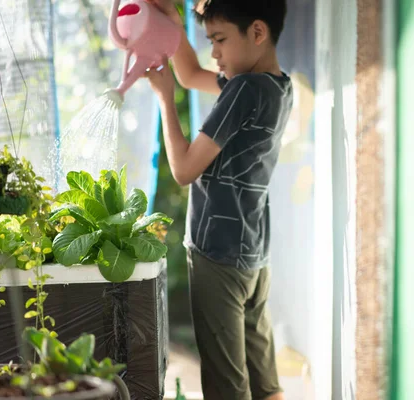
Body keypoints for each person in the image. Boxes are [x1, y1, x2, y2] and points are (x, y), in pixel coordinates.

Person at [143, 1, 291, 399]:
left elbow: (184, 169)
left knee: (228, 384)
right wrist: (174, 26)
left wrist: (164, 99)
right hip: (254, 256)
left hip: (218, 255)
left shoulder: (244, 89)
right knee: (264, 380)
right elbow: (192, 74)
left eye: (220, 40)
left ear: (257, 32)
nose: (215, 52)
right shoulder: (277, 86)